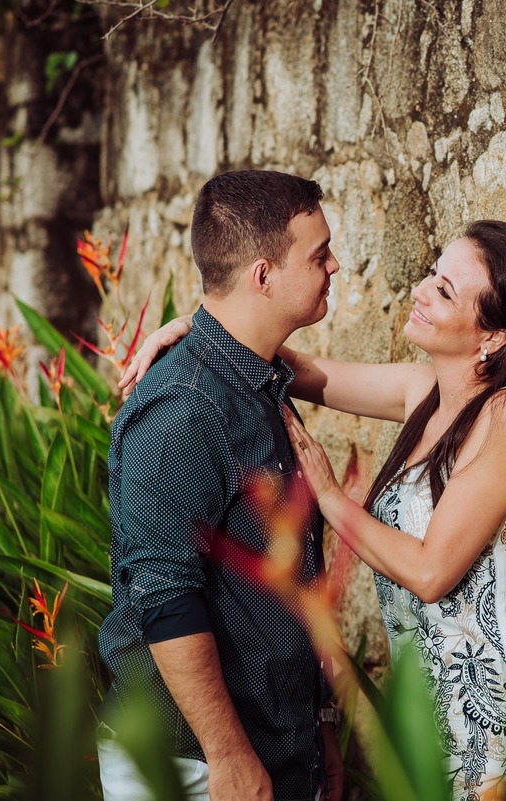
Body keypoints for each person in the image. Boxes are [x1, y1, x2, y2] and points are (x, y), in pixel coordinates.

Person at [124, 220, 506, 800]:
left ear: (494, 337)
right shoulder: (425, 393)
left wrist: (330, 499)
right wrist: (197, 330)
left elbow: (430, 571)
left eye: (444, 291)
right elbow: (293, 365)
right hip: (438, 728)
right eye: (432, 275)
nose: (420, 290)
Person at [98, 170, 344, 801]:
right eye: (318, 255)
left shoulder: (257, 377)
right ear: (263, 275)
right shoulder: (182, 406)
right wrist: (228, 755)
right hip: (193, 767)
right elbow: (165, 595)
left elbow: (288, 584)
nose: (334, 266)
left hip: (278, 752)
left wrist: (319, 727)